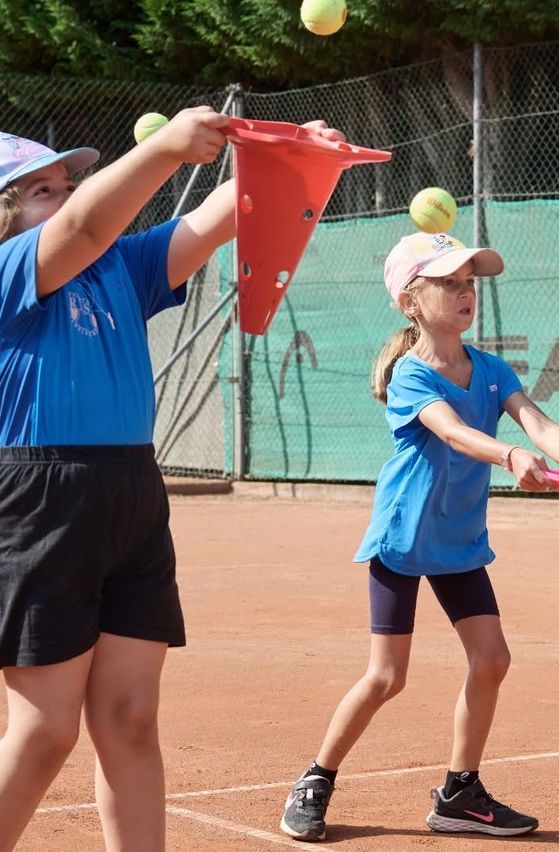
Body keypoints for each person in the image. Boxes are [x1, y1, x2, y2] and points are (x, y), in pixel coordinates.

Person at [0, 109, 345, 851]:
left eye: (67, 184)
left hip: (129, 489)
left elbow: (225, 214)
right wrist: (161, 149)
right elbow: (85, 229)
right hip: (40, 496)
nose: (62, 197)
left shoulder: (117, 265)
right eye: (39, 190)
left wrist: (292, 152)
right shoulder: (8, 268)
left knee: (129, 716)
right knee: (44, 731)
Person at [280, 230, 559, 841]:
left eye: (469, 281)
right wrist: (508, 456)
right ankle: (315, 779)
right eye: (449, 282)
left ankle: (460, 792)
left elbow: (539, 423)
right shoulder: (411, 376)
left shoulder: (491, 369)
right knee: (387, 677)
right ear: (411, 301)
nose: (466, 291)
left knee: (491, 658)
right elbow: (451, 431)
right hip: (404, 538)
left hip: (459, 542)